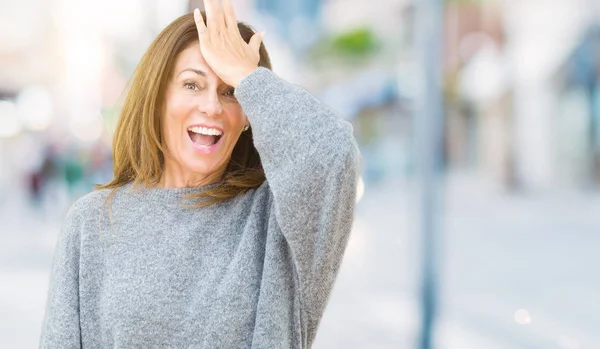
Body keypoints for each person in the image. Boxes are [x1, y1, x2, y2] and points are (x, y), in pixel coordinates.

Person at [39, 0, 361, 347]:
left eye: (230, 92)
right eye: (192, 84)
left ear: (249, 114)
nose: (211, 106)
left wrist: (250, 78)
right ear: (158, 97)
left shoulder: (278, 223)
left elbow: (334, 152)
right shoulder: (92, 222)